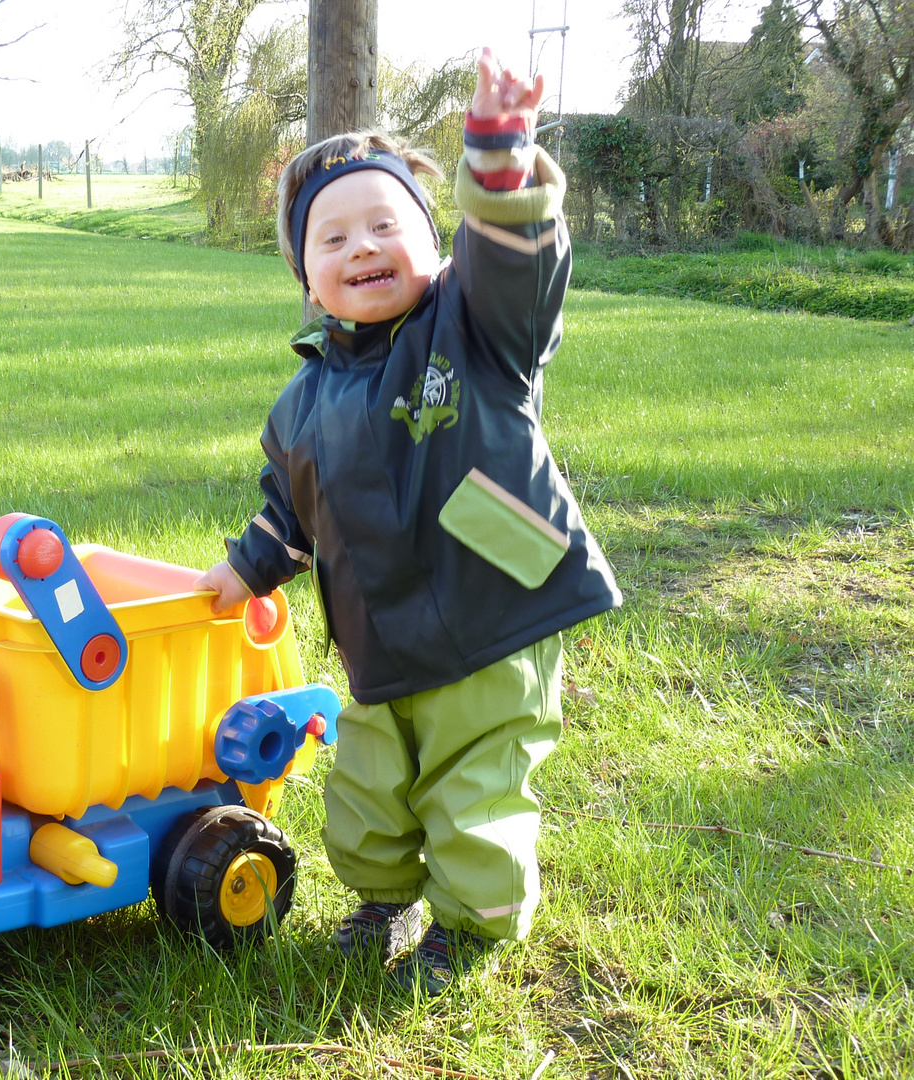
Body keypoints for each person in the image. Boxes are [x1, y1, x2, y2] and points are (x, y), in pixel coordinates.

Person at [194, 48, 622, 993]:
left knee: (473, 790)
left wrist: (501, 163)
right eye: (333, 240)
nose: (362, 249)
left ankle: (469, 928)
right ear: (307, 282)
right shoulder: (299, 404)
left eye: (386, 225)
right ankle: (383, 898)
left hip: (492, 617)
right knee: (368, 788)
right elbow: (288, 511)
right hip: (380, 638)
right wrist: (243, 572)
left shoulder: (473, 332)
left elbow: (516, 265)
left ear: (436, 248)